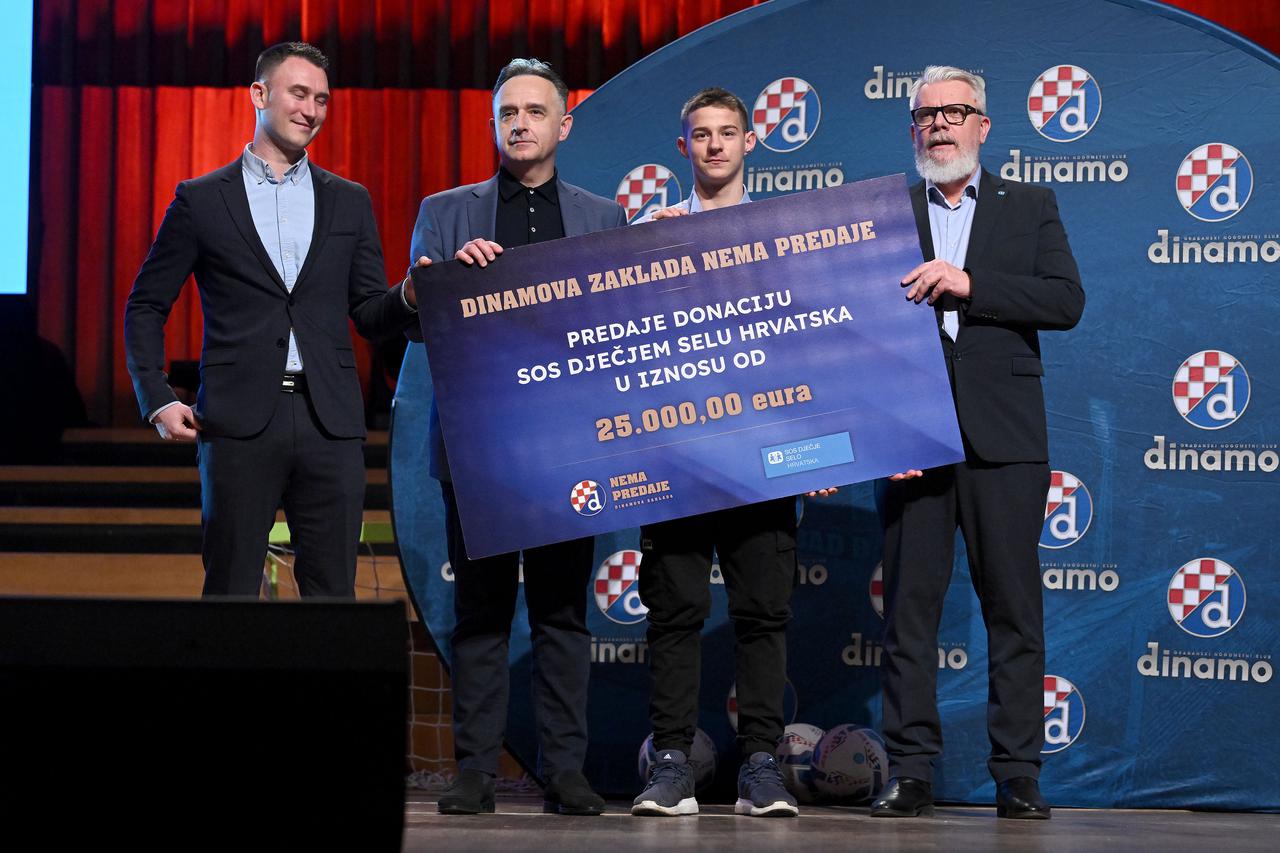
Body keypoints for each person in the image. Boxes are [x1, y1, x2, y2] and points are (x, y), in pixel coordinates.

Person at [409, 58, 626, 817]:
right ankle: (475, 770)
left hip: (571, 445)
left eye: (536, 111)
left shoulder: (603, 217)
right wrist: (444, 282)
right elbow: (416, 320)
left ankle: (565, 771)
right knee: (481, 613)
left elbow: (619, 329)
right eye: (508, 113)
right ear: (493, 124)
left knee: (563, 614)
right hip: (480, 448)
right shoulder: (446, 213)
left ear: (564, 124)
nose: (521, 124)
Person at [123, 42, 420, 598]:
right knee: (232, 591)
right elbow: (145, 305)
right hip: (237, 423)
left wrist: (407, 295)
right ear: (259, 94)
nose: (311, 110)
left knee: (333, 595)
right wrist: (157, 398)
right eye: (299, 94)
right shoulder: (201, 200)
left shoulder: (349, 201)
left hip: (329, 423)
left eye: (322, 99)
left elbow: (367, 313)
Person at [869, 66, 1084, 820]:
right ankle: (910, 770)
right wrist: (877, 432)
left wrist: (971, 283)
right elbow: (854, 331)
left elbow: (1065, 300)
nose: (940, 124)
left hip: (1006, 438)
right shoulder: (886, 214)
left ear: (983, 126)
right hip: (912, 441)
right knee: (909, 615)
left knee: (1014, 611)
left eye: (955, 112)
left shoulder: (1030, 205)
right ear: (913, 129)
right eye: (927, 115)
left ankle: (1018, 773)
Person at [628, 87, 832, 819]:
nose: (714, 145)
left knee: (762, 613)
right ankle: (672, 765)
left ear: (750, 141)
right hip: (678, 455)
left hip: (765, 456)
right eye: (701, 134)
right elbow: (620, 349)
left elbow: (816, 341)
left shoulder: (785, 235)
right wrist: (644, 254)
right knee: (675, 611)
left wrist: (823, 451)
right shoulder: (650, 235)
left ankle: (761, 768)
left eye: (727, 132)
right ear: (683, 147)